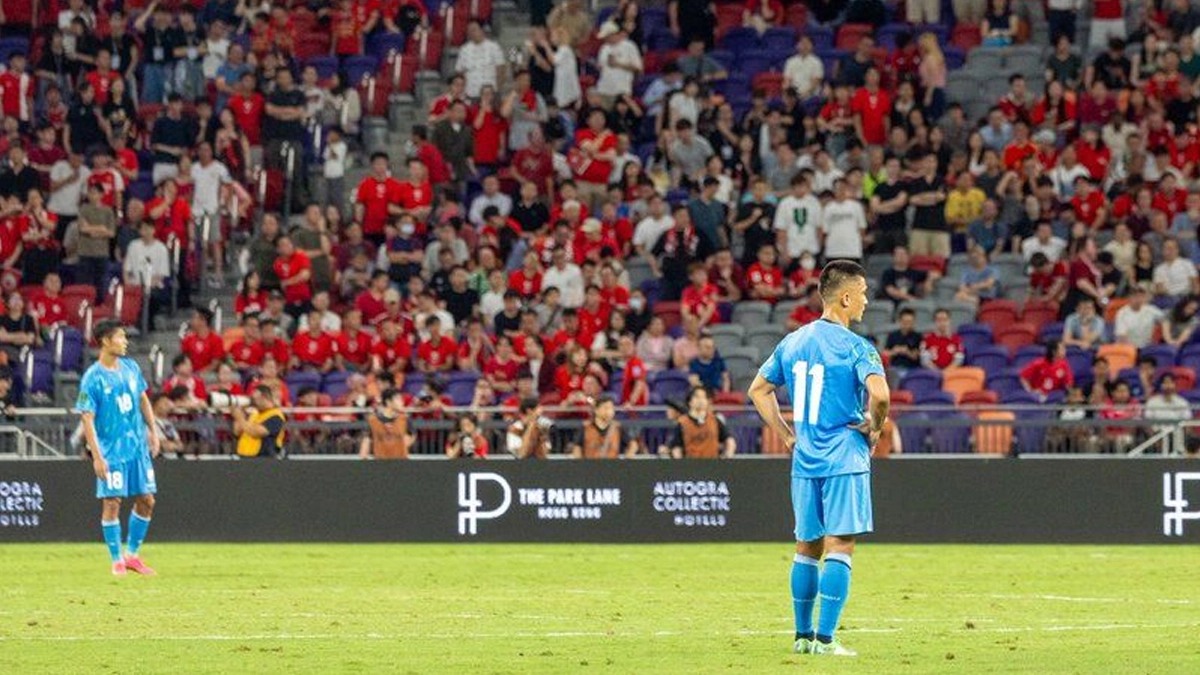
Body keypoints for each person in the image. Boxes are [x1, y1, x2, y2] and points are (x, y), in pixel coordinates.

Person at [746, 260, 889, 657]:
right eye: (861, 293)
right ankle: (826, 640)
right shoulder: (858, 348)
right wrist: (875, 428)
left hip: (805, 458)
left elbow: (758, 390)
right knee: (840, 545)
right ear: (845, 297)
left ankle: (801, 637)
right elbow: (880, 396)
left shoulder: (792, 342)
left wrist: (788, 437)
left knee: (806, 547)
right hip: (844, 456)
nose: (865, 300)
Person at [76, 320, 162, 576]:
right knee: (112, 502)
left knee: (147, 500)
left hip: (137, 448)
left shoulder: (131, 368)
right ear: (105, 341)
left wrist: (153, 432)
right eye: (121, 337)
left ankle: (132, 555)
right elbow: (87, 417)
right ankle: (116, 560)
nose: (125, 342)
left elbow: (143, 399)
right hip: (112, 451)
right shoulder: (92, 377)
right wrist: (96, 456)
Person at [662, 386, 736, 459]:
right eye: (697, 397)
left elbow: (729, 440)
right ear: (690, 402)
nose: (701, 400)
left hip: (713, 465)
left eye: (704, 397)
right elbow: (676, 447)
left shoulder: (715, 420)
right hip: (691, 466)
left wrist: (728, 456)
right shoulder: (682, 422)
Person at [359, 388, 414, 459]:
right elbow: (366, 441)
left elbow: (411, 437)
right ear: (388, 402)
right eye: (398, 399)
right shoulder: (373, 420)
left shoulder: (405, 419)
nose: (402, 402)